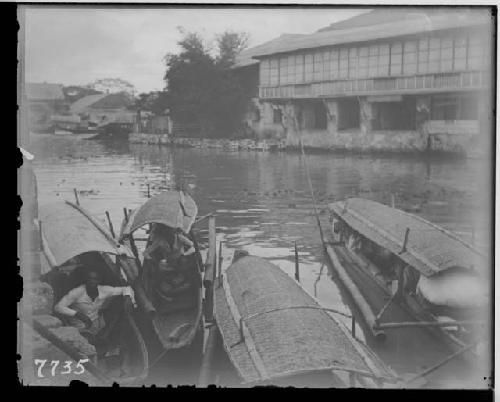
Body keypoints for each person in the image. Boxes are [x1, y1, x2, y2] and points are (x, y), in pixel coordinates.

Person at [54, 269, 135, 346]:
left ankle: (105, 340)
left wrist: (127, 298)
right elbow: (58, 307)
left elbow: (127, 289)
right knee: (86, 342)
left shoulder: (103, 290)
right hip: (81, 329)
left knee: (118, 311)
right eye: (89, 279)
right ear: (85, 280)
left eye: (95, 279)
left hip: (97, 326)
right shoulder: (77, 292)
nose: (92, 281)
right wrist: (78, 315)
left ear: (99, 281)